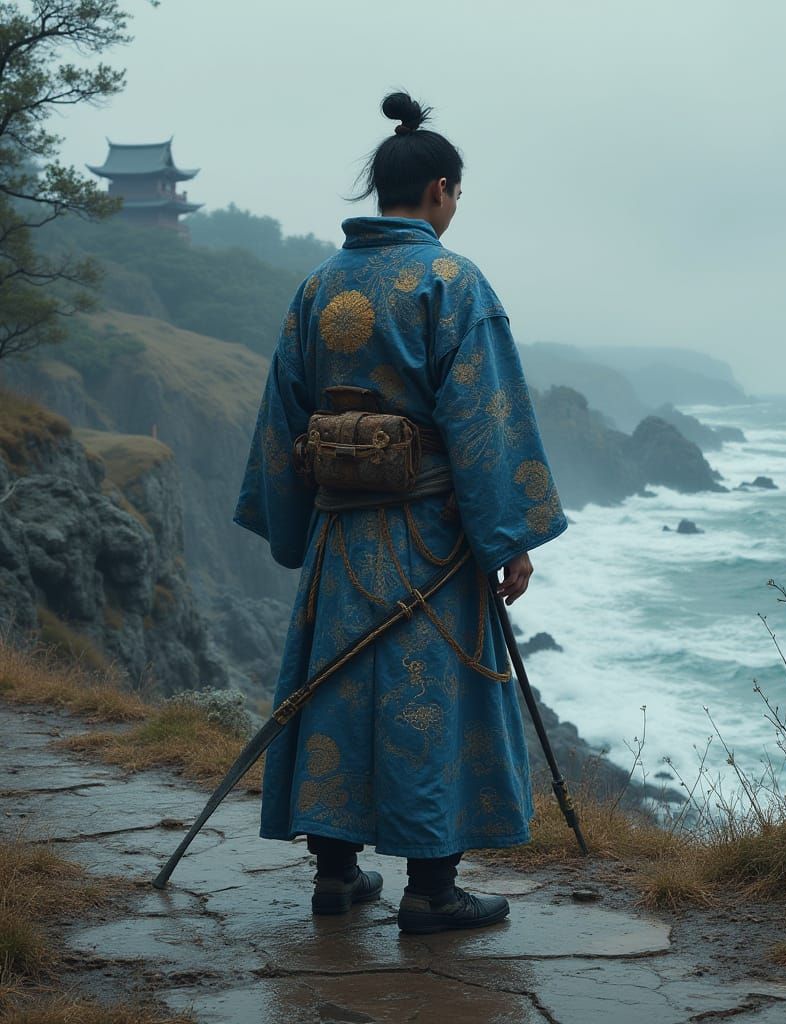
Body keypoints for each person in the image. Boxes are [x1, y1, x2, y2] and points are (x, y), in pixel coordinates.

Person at [233, 92, 567, 934]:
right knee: (426, 695)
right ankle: (431, 890)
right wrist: (510, 538)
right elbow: (485, 418)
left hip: (342, 538)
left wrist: (292, 524)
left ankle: (337, 878)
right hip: (429, 541)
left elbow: (284, 417)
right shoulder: (452, 282)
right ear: (441, 191)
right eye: (457, 194)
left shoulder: (317, 287)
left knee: (336, 687)